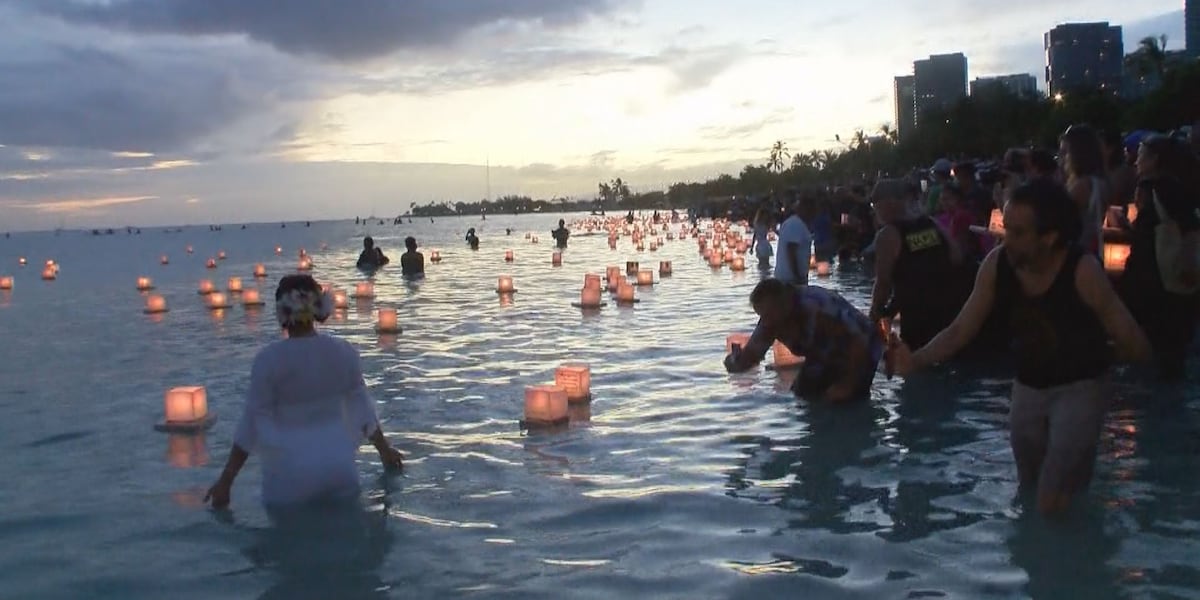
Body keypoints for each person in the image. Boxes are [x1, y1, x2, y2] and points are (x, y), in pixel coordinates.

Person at [890, 179, 1150, 515]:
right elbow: (960, 330)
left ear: (1050, 237)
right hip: (1028, 386)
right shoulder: (998, 266)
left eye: (1018, 232)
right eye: (1006, 228)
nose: (1004, 238)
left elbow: (1128, 335)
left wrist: (1144, 380)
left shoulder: (1081, 271)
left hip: (1080, 386)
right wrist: (916, 360)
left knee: (1052, 497)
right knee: (1028, 485)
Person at [205, 275, 405, 509]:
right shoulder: (343, 352)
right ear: (319, 307)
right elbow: (363, 409)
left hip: (289, 480)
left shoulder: (269, 360)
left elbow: (251, 424)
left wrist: (226, 481)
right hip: (339, 471)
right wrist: (384, 451)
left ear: (281, 312)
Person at [724, 279, 884, 402]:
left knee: (844, 400)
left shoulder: (816, 308)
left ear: (785, 303)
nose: (767, 322)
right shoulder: (770, 320)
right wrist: (735, 363)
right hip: (822, 352)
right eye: (763, 316)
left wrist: (848, 384)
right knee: (802, 393)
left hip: (862, 345)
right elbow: (752, 354)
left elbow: (857, 343)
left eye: (770, 315)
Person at [1120, 135, 1200, 379]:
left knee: (1157, 344)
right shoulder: (1174, 186)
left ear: (1155, 159)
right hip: (1167, 274)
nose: (1135, 160)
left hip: (1156, 276)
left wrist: (1123, 223)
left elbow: (1149, 233)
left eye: (1141, 154)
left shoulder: (1155, 187)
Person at [867, 179, 972, 349]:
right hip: (952, 314)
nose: (874, 212)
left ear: (887, 203)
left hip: (918, 320)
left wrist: (874, 316)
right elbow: (957, 257)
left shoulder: (888, 235)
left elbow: (883, 284)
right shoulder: (931, 223)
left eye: (874, 206)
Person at [1060, 125, 1110, 257]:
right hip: (1090, 251)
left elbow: (1056, 219)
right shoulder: (1099, 181)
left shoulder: (1081, 186)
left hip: (1077, 251)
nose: (1062, 158)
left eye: (1065, 152)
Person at [773, 196, 812, 285]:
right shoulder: (796, 224)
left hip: (788, 278)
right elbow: (791, 250)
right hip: (791, 280)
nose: (814, 213)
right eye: (812, 209)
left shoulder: (792, 223)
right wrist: (797, 276)